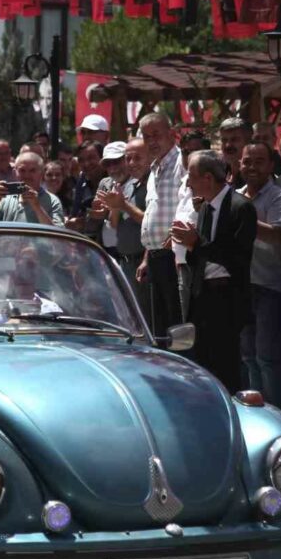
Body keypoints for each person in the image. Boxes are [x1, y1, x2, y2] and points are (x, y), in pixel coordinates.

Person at [173, 151, 257, 390]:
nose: (188, 183)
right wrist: (188, 246)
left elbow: (237, 257)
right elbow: (200, 254)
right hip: (202, 297)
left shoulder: (241, 208)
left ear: (208, 178)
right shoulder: (205, 209)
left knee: (227, 366)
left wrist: (195, 243)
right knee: (203, 364)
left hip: (227, 300)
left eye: (192, 176)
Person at [238, 141, 281, 407]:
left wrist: (243, 217)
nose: (252, 167)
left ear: (271, 166)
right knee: (247, 356)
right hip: (242, 287)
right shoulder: (235, 195)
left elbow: (278, 236)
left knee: (267, 358)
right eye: (247, 161)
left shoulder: (279, 198)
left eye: (259, 161)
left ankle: (276, 415)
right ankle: (255, 414)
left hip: (270, 286)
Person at [135, 113, 186, 337]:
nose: (152, 141)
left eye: (156, 134)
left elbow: (190, 206)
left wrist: (175, 240)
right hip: (156, 256)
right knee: (160, 327)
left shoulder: (181, 163)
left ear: (171, 134)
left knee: (177, 325)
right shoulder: (154, 169)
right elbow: (153, 216)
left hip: (175, 256)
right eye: (146, 137)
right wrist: (147, 256)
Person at [104, 138, 151, 321]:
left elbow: (151, 224)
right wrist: (115, 206)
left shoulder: (151, 186)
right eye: (128, 159)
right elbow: (113, 226)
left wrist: (122, 205)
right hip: (125, 262)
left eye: (137, 158)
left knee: (146, 318)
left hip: (142, 262)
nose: (131, 164)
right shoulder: (128, 186)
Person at [0, 152, 65, 226]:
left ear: (41, 173)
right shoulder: (5, 198)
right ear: (14, 173)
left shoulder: (52, 201)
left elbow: (57, 234)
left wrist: (37, 206)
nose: (27, 176)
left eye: (32, 171)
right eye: (22, 170)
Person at [67, 140, 107, 241]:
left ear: (102, 158)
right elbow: (75, 213)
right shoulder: (82, 183)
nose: (86, 164)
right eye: (81, 160)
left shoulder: (114, 183)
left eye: (91, 158)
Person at [218, 117, 252, 186]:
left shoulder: (256, 174)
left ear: (248, 141)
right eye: (224, 140)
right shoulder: (218, 170)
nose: (228, 145)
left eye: (234, 140)